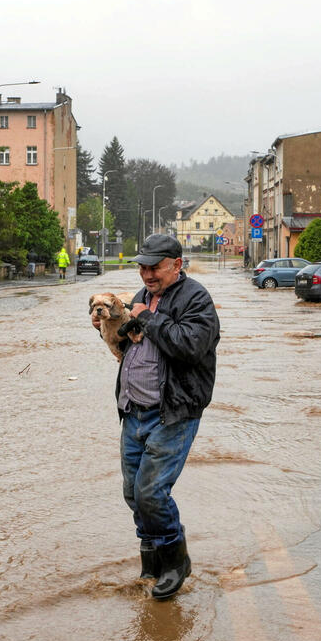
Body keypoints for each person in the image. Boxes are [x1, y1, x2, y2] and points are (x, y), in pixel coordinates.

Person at [92, 234, 219, 600]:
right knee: (133, 492)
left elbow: (190, 346)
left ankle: (176, 560)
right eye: (142, 267)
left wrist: (147, 318)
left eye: (154, 267)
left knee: (151, 491)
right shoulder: (141, 296)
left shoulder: (195, 298)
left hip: (173, 412)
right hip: (133, 410)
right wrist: (112, 330)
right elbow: (133, 341)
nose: (146, 274)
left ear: (176, 265)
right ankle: (150, 558)